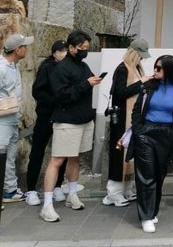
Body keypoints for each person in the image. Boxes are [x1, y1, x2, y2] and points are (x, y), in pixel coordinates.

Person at [40, 29, 103, 222]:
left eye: (86, 47)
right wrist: (87, 84)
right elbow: (62, 95)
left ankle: (72, 194)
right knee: (57, 160)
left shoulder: (82, 65)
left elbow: (86, 82)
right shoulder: (61, 68)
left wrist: (92, 81)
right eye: (81, 47)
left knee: (75, 158)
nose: (85, 50)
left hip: (84, 119)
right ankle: (47, 204)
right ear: (71, 47)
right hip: (66, 121)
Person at [126, 55, 173, 233]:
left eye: (159, 68)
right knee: (146, 175)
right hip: (146, 133)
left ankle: (152, 211)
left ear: (169, 70)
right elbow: (137, 110)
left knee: (159, 176)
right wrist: (138, 131)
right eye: (155, 67)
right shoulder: (148, 87)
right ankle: (146, 216)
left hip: (166, 134)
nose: (155, 71)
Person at [103, 39, 151, 207]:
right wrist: (141, 83)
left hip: (134, 120)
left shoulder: (137, 68)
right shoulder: (122, 69)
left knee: (130, 155)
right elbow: (119, 93)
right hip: (122, 119)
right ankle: (113, 193)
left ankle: (126, 189)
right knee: (119, 154)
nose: (143, 59)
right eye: (141, 56)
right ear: (134, 53)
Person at [25, 40, 68, 206]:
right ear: (54, 52)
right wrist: (54, 101)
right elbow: (37, 91)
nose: (63, 53)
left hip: (62, 116)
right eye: (60, 50)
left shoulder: (68, 67)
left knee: (62, 151)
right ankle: (31, 189)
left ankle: (57, 185)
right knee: (38, 151)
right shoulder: (47, 67)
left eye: (65, 49)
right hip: (45, 116)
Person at [0, 33, 34, 203]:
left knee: (9, 156)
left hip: (12, 118)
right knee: (2, 155)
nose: (27, 49)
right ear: (18, 50)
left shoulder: (14, 66)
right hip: (2, 120)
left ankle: (10, 190)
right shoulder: (2, 67)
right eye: (24, 46)